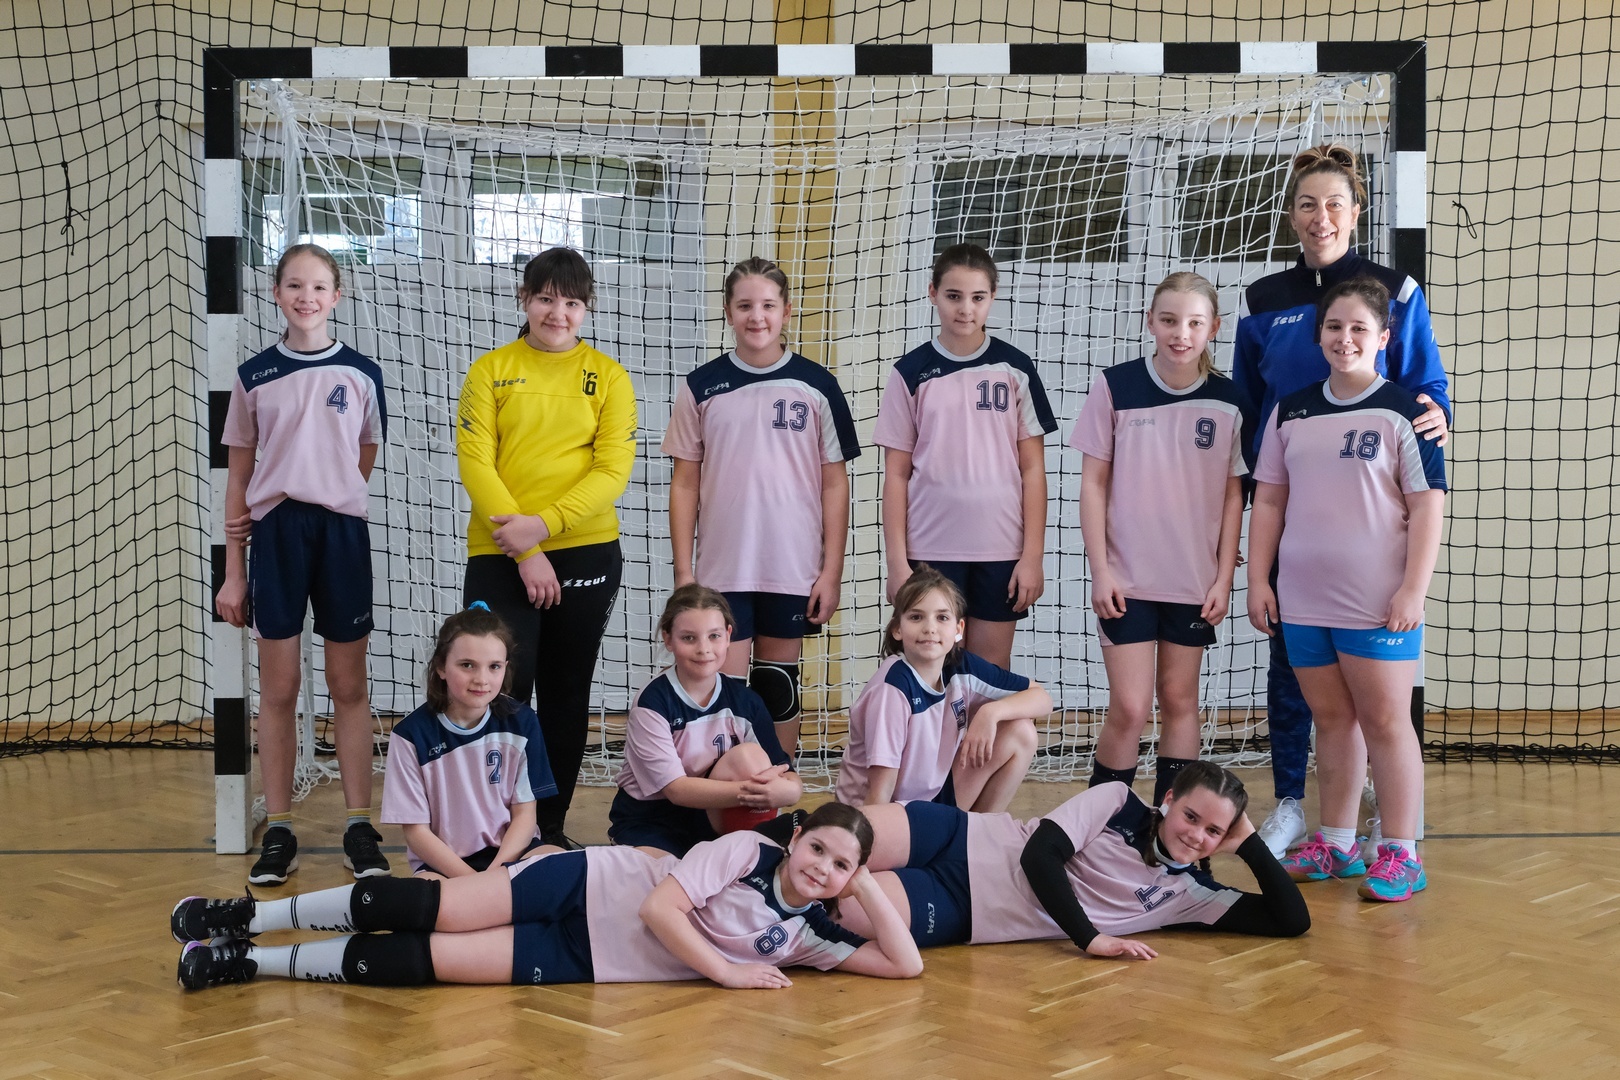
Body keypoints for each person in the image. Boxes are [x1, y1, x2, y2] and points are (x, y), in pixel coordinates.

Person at [1233, 144, 1452, 859]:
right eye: (1307, 203)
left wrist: (1438, 415)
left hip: (1371, 528)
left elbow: (1428, 390)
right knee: (1300, 681)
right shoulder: (1264, 300)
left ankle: (1393, 829)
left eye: (1334, 203)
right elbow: (1250, 410)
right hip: (1298, 529)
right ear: (1290, 214)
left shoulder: (1397, 292)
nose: (1320, 216)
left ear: (1356, 212)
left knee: (1379, 707)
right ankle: (1298, 809)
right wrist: (1253, 545)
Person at [170, 803, 923, 990]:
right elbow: (659, 909)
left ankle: (248, 964)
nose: (823, 869)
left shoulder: (809, 937)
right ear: (796, 838)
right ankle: (252, 916)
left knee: (426, 963)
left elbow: (905, 966)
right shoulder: (745, 851)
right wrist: (727, 973)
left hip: (586, 957)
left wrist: (866, 883)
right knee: (433, 909)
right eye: (819, 849)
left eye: (841, 866)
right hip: (588, 884)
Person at [1247, 277, 1446, 902]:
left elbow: (1428, 506)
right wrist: (1257, 580)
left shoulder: (1409, 412)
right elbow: (1269, 501)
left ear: (1384, 338)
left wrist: (1413, 590)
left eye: (1360, 328)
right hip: (1304, 596)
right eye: (1335, 326)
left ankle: (1401, 854)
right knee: (1332, 722)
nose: (1345, 338)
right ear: (1319, 335)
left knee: (1386, 723)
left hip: (1377, 599)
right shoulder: (1291, 410)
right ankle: (1336, 844)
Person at [214, 243, 390, 885]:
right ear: (276, 293)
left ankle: (358, 825)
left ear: (336, 296)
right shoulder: (254, 376)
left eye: (318, 286)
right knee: (280, 689)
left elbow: (364, 452)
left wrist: (331, 492)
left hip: (340, 534)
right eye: (294, 285)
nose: (306, 296)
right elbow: (238, 479)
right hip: (277, 535)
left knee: (348, 686)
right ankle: (280, 828)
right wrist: (234, 571)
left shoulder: (362, 373)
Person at [456, 247, 637, 849]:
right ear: (524, 299)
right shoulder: (490, 371)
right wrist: (524, 549)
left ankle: (549, 831)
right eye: (545, 298)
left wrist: (544, 527)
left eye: (572, 302)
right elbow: (476, 463)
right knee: (499, 688)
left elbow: (612, 471)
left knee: (566, 691)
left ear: (586, 308)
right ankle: (491, 831)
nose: (558, 313)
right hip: (500, 550)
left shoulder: (609, 377)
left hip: (585, 550)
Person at [664, 257, 861, 755]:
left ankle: (779, 785)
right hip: (721, 571)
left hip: (792, 567)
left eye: (769, 306)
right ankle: (722, 795)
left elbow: (835, 485)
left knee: (778, 688)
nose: (757, 317)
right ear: (728, 311)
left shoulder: (817, 386)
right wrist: (685, 572)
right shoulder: (701, 385)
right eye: (745, 306)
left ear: (786, 311)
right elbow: (684, 483)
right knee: (721, 694)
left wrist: (831, 572)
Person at [1072, 272, 1251, 803]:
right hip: (1125, 581)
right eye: (1169, 320)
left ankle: (1172, 826)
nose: (1181, 333)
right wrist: (1100, 572)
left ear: (1214, 328)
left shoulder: (1230, 400)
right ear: (1150, 322)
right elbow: (1092, 484)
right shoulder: (1115, 386)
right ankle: (1105, 825)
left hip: (1193, 583)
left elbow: (1233, 497)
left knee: (1179, 702)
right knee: (1129, 707)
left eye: (1194, 323)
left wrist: (1222, 579)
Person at [835, 761, 1309, 954]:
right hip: (961, 835)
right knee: (833, 837)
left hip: (965, 906)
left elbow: (1291, 921)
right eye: (1191, 816)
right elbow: (1039, 856)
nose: (1196, 835)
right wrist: (1090, 938)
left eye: (1214, 831)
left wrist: (1250, 844)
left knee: (838, 907)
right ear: (1169, 799)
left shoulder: (1192, 895)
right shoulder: (1118, 801)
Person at [875, 243, 1059, 668]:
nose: (965, 309)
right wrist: (897, 563)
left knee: (989, 674)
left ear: (992, 297)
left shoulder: (1015, 368)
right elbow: (896, 475)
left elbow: (1033, 469)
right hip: (930, 551)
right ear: (933, 293)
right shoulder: (910, 372)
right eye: (954, 296)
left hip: (1001, 549)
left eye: (977, 297)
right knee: (932, 670)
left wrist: (1032, 556)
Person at [836, 566, 1051, 813]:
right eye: (916, 617)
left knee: (1021, 732)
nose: (930, 628)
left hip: (931, 797)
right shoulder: (892, 688)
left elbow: (1042, 698)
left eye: (942, 618)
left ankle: (980, 831)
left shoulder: (961, 666)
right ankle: (950, 832)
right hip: (881, 812)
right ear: (897, 629)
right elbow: (880, 794)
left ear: (958, 629)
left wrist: (990, 713)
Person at [609, 585, 802, 856]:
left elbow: (785, 772)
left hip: (715, 815)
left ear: (728, 636)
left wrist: (790, 792)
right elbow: (677, 790)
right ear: (668, 639)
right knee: (668, 875)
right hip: (653, 821)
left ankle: (749, 852)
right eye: (689, 638)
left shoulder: (746, 702)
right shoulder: (652, 703)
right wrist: (755, 793)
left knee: (750, 757)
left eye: (714, 636)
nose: (704, 649)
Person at [380, 603, 555, 878]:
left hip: (510, 855)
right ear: (441, 666)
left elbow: (524, 815)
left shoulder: (522, 723)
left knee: (557, 862)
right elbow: (416, 833)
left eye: (494, 666)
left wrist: (496, 875)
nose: (481, 679)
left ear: (505, 668)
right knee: (426, 893)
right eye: (467, 665)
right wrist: (474, 883)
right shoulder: (410, 736)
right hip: (445, 864)